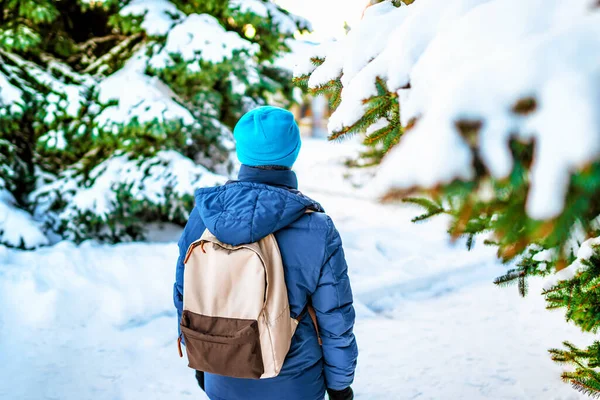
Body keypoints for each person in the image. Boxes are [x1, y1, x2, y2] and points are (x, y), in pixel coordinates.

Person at [173, 106, 358, 400]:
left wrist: (202, 357)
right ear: (293, 151)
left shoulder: (204, 216)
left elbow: (185, 295)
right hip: (294, 383)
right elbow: (334, 318)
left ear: (242, 152)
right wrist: (339, 385)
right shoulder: (315, 228)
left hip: (220, 374)